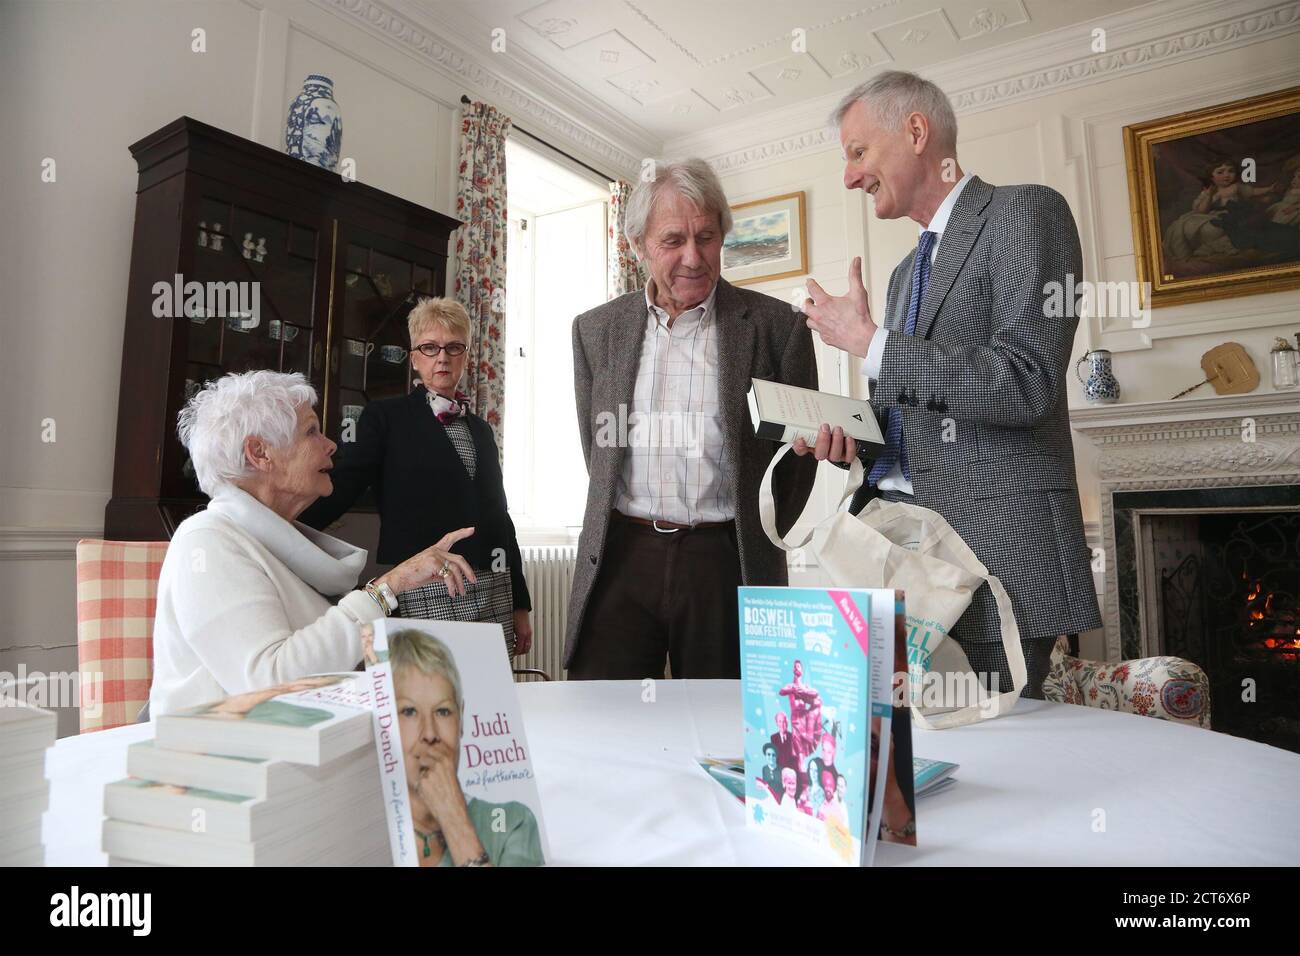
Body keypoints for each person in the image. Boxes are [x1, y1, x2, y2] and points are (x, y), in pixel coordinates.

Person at [796, 70, 1101, 698]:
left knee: (1002, 769)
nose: (849, 177)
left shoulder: (1027, 212)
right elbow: (913, 425)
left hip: (998, 559)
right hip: (901, 560)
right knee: (909, 756)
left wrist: (869, 342)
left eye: (858, 153)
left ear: (915, 132)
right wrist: (849, 438)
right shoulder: (906, 272)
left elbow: (1027, 380)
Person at [565, 158, 818, 679]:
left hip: (726, 559)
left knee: (730, 731)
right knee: (603, 720)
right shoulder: (595, 331)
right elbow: (598, 450)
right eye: (673, 240)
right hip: (621, 555)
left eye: (706, 237)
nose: (693, 257)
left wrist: (755, 532)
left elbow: (797, 464)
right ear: (637, 246)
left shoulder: (776, 328)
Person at [148, 370, 477, 716]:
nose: (331, 444)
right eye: (311, 431)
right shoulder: (207, 542)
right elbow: (272, 683)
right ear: (260, 453)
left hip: (296, 742)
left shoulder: (273, 539)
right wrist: (386, 589)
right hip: (217, 757)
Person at [300, 297, 532, 658]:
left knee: (489, 706)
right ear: (414, 358)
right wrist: (275, 528)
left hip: (492, 588)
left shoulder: (482, 430)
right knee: (431, 701)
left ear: (466, 356)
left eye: (454, 347)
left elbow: (500, 516)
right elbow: (341, 487)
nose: (443, 357)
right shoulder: (384, 418)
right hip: (425, 587)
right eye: (430, 347)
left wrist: (521, 602)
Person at [389, 627, 544, 866]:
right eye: (409, 711)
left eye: (443, 711)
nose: (429, 734)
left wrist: (455, 822)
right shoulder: (368, 827)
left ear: (460, 719)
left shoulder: (513, 822)